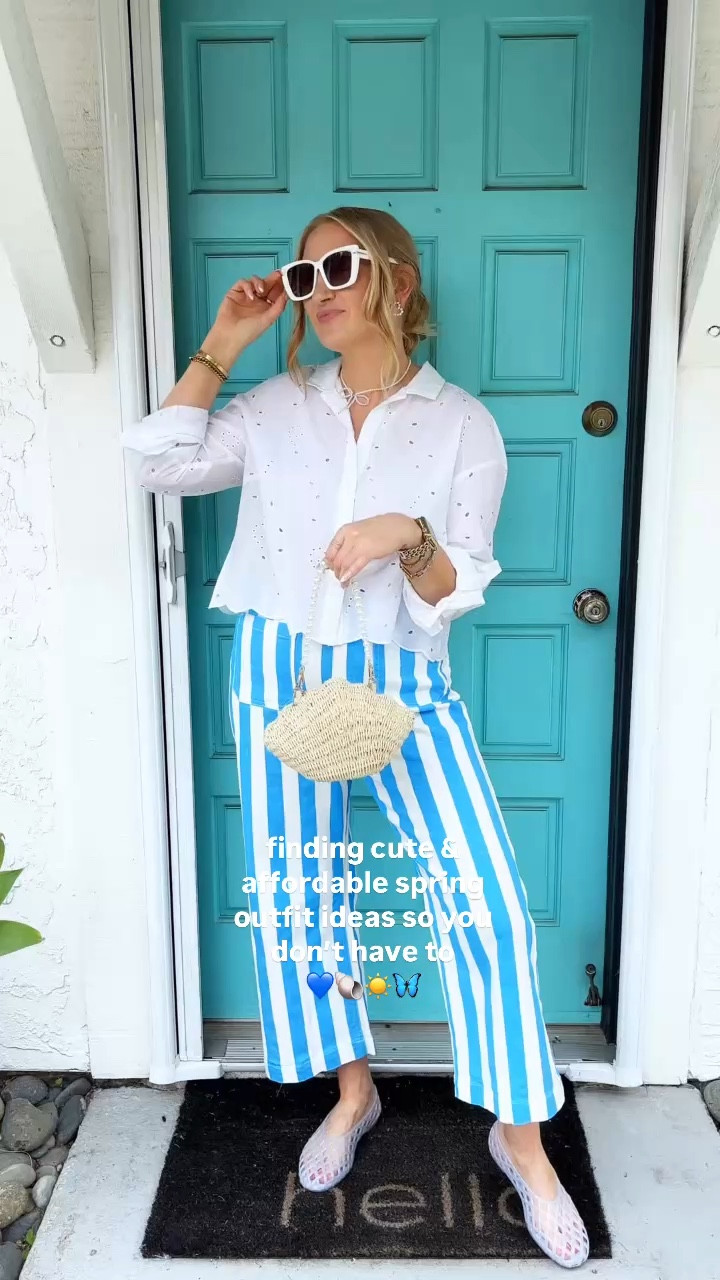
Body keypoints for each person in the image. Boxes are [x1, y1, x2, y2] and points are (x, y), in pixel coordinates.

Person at [120, 206, 590, 1269]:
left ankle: (521, 1135)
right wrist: (221, 347)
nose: (319, 285)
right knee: (305, 890)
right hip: (279, 670)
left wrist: (403, 534)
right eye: (303, 272)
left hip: (402, 676)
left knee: (484, 897)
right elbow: (158, 463)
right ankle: (352, 1089)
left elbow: (457, 581)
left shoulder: (460, 421)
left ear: (396, 278)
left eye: (339, 264)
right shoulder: (272, 405)